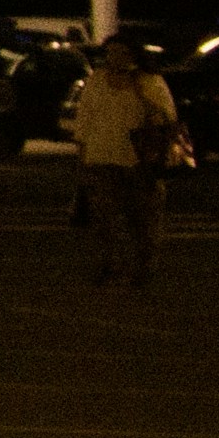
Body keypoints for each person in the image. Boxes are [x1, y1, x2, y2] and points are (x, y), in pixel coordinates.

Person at [66, 32, 185, 289]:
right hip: (101, 159)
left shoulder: (150, 81)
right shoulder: (96, 81)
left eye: (121, 53)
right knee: (105, 222)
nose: (115, 59)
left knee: (143, 222)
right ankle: (111, 268)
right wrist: (82, 160)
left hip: (139, 162)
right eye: (110, 53)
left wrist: (140, 89)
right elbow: (84, 122)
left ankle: (144, 270)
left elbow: (166, 120)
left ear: (134, 56)